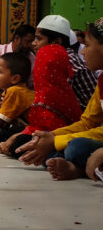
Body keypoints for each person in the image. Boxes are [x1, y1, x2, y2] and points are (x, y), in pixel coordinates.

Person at [16, 17, 103, 180]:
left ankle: (78, 169)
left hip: (89, 134)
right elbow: (87, 122)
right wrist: (50, 137)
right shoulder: (102, 81)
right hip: (88, 131)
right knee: (47, 150)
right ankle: (81, 167)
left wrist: (55, 141)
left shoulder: (63, 60)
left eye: (88, 46)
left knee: (76, 148)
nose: (83, 51)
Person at [0, 44, 82, 158]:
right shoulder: (49, 92)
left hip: (53, 137)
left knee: (11, 139)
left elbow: (48, 130)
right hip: (39, 133)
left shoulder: (52, 94)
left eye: (41, 67)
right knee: (14, 136)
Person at [33, 15, 96, 109]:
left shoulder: (72, 65)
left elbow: (94, 111)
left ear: (57, 42)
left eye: (39, 38)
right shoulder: (47, 59)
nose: (33, 43)